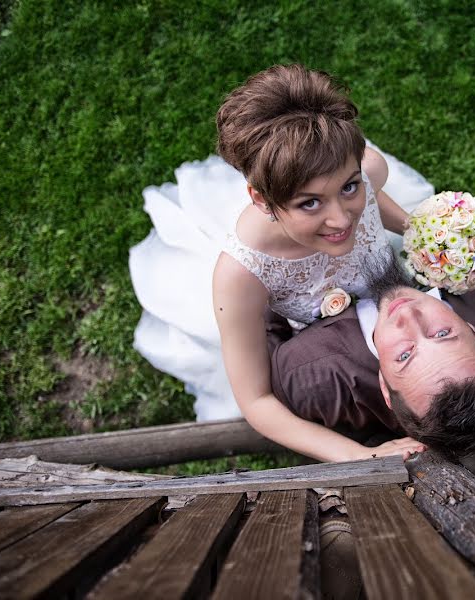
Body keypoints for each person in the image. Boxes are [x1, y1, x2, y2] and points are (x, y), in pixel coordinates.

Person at [130, 64, 433, 462]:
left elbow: (376, 205)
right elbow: (256, 401)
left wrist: (423, 234)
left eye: (349, 187)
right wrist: (359, 455)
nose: (342, 219)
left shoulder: (368, 171)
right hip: (321, 334)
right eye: (309, 202)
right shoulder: (241, 276)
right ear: (261, 201)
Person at [270, 253, 475, 458]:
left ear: (385, 388)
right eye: (442, 333)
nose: (408, 314)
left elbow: (264, 329)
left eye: (404, 355)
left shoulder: (306, 372)